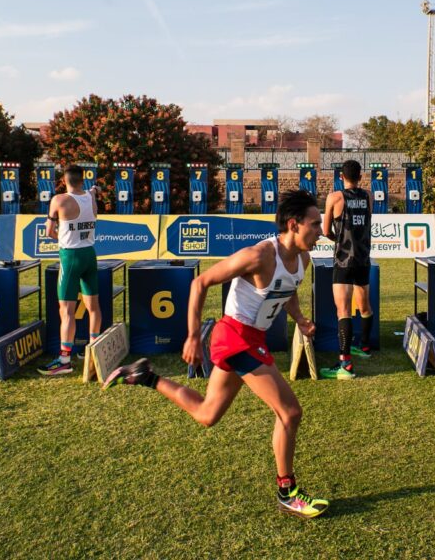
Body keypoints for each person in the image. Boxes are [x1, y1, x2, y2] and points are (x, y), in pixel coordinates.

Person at [102, 189, 329, 519]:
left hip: (251, 338)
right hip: (236, 337)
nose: (321, 231)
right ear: (293, 224)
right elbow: (201, 283)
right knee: (290, 413)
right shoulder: (259, 255)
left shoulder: (302, 258)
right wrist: (193, 336)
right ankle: (287, 491)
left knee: (207, 414)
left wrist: (300, 319)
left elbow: (288, 290)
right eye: (315, 224)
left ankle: (144, 376)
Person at [38, 164, 102, 376]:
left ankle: (65, 359)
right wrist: (92, 193)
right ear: (82, 180)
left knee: (66, 311)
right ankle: (94, 350)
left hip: (71, 256)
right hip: (89, 255)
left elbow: (49, 231)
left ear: (65, 180)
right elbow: (91, 203)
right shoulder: (91, 198)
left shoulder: (59, 200)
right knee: (93, 306)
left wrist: (62, 239)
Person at [319, 159, 373, 380]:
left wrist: (337, 239)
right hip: (363, 258)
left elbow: (325, 230)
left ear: (341, 177)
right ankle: (365, 346)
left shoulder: (335, 197)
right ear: (360, 177)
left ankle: (345, 365)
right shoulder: (368, 195)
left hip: (343, 259)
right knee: (364, 306)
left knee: (343, 310)